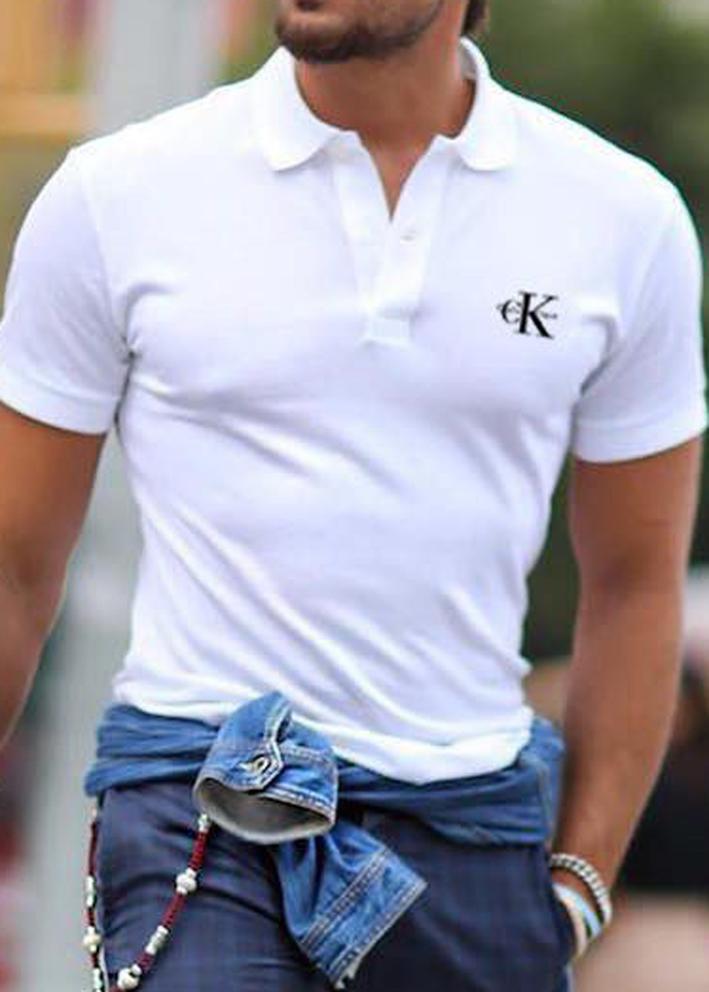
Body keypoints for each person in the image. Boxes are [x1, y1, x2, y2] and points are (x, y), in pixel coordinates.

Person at [0, 1, 706, 990]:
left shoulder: (622, 218)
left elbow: (636, 584)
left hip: (475, 829)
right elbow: (13, 566)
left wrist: (580, 883)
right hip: (205, 802)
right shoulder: (116, 194)